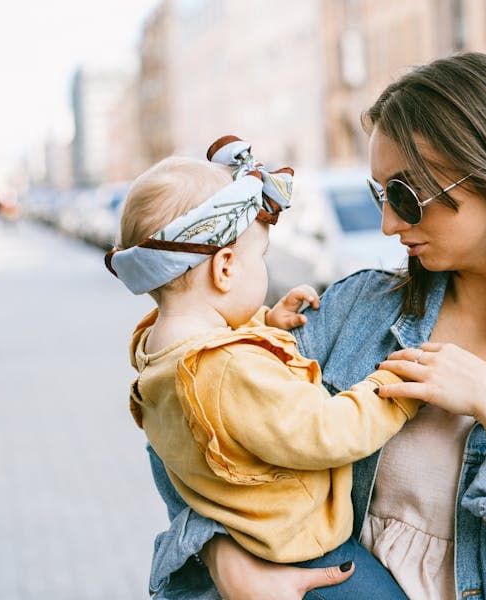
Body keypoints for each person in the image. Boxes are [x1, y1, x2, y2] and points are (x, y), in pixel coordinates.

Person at [144, 53, 486, 599]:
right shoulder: (356, 309)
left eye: (407, 196)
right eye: (381, 195)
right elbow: (188, 419)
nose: (388, 224)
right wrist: (224, 556)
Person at [105, 136, 420, 599]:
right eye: (262, 257)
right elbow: (325, 430)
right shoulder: (230, 369)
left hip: (244, 542)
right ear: (226, 268)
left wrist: (264, 324)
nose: (265, 269)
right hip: (301, 553)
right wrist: (394, 386)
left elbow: (217, 387)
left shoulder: (160, 353)